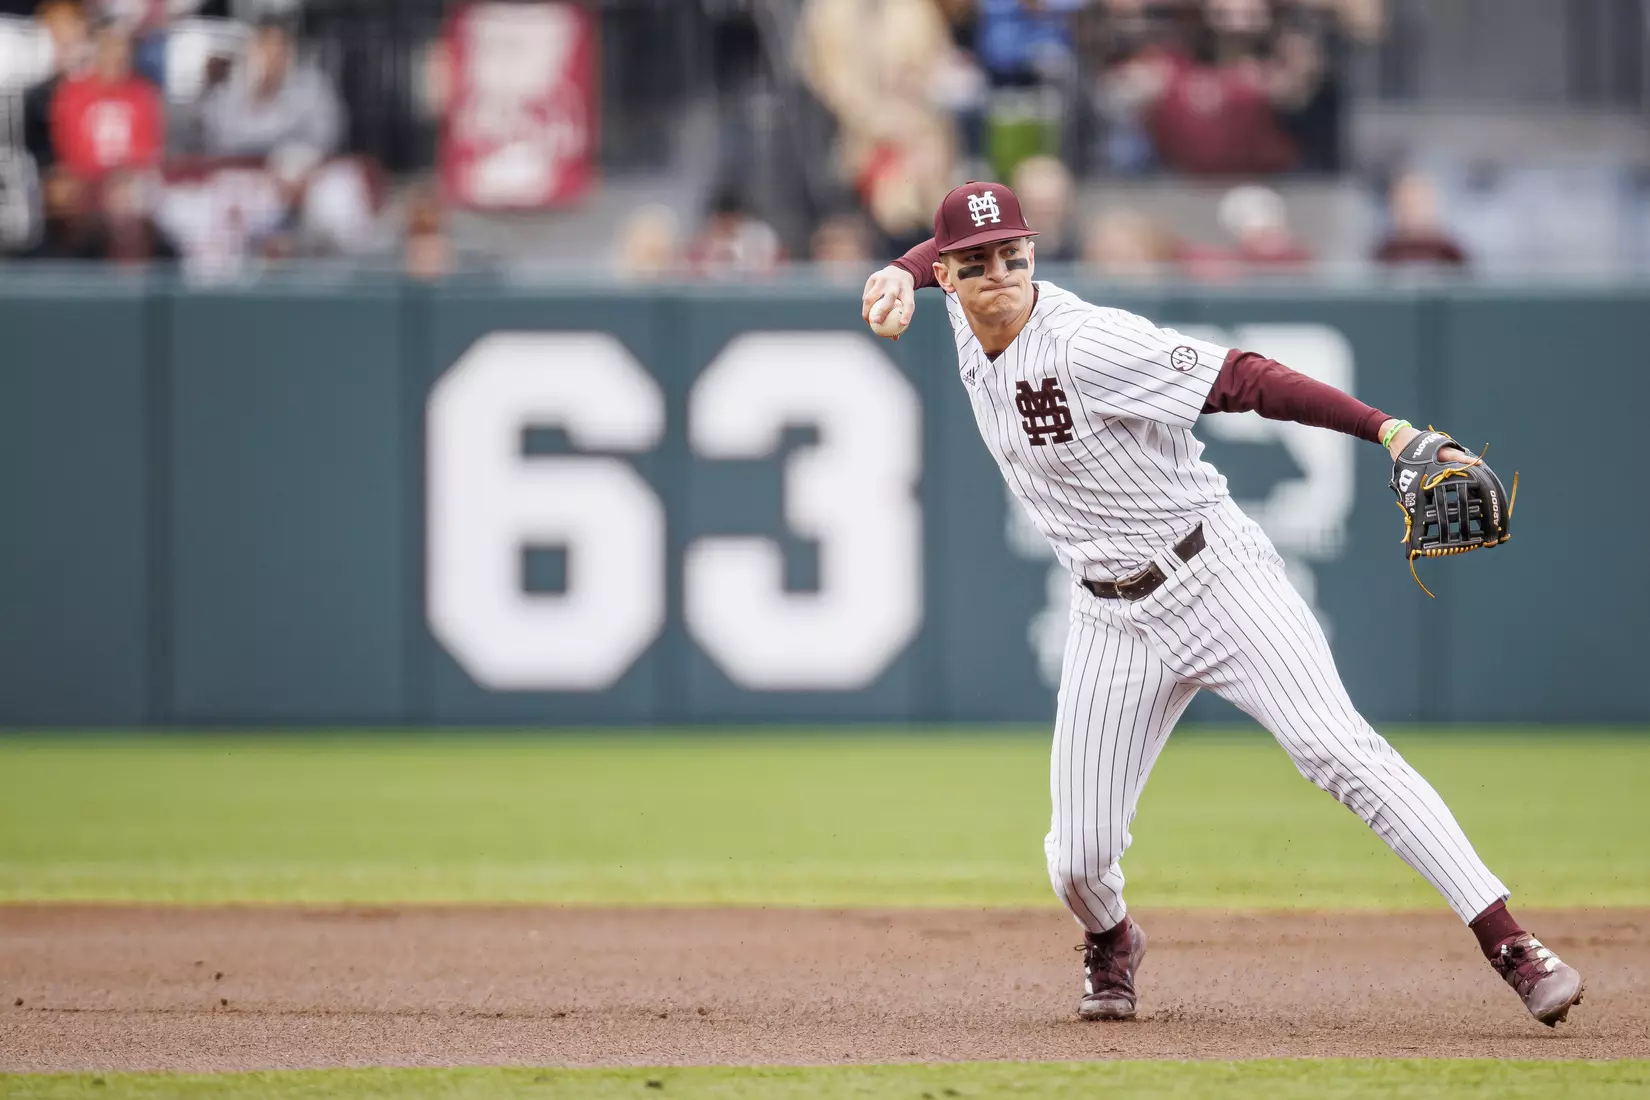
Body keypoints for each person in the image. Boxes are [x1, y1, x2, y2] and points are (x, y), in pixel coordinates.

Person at [859, 180, 1584, 1028]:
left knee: (1336, 750)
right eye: (976, 266)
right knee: (1077, 862)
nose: (1000, 275)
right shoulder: (954, 308)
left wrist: (1389, 431)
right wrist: (901, 272)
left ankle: (1509, 940)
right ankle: (1114, 938)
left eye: (1013, 255)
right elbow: (943, 250)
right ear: (949, 279)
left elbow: (1245, 378)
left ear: (1033, 256)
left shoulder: (1089, 342)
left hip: (1214, 575)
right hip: (1109, 615)